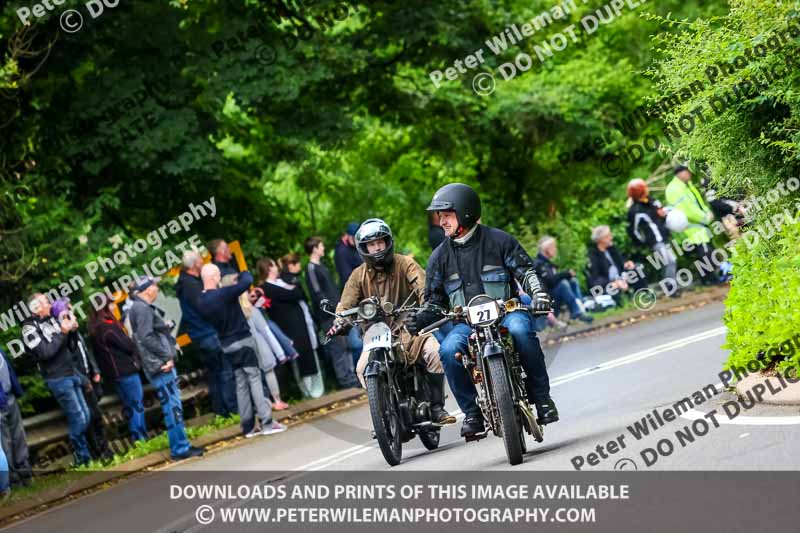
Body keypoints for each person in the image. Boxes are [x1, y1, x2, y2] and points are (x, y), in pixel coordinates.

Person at [407, 183, 557, 438]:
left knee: (522, 332)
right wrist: (421, 317)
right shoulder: (438, 257)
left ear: (464, 212)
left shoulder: (500, 241)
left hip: (508, 311)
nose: (441, 222)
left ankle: (542, 398)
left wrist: (539, 295)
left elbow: (527, 272)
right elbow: (434, 300)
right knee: (448, 349)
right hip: (466, 322)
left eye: (446, 215)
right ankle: (473, 413)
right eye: (439, 216)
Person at [329, 218, 455, 424]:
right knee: (361, 368)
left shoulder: (405, 263)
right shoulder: (357, 276)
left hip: (410, 325)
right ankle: (381, 414)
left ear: (388, 242)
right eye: (371, 244)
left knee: (434, 351)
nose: (377, 248)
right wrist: (340, 321)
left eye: (380, 242)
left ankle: (436, 407)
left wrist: (426, 309)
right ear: (363, 248)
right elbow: (346, 304)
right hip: (375, 330)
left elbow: (424, 288)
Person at [198, 266, 286, 437]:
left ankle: (248, 426)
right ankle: (266, 421)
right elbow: (247, 281)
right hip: (242, 340)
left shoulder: (202, 301)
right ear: (214, 276)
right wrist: (242, 272)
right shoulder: (223, 294)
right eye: (218, 275)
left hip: (226, 344)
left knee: (240, 382)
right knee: (254, 378)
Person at [128, 277, 205, 460]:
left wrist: (164, 327)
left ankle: (182, 445)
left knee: (173, 406)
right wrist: (166, 357)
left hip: (158, 365)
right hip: (161, 366)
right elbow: (145, 338)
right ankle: (180, 449)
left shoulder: (139, 308)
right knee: (172, 407)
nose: (157, 287)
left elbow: (147, 334)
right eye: (154, 285)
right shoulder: (142, 308)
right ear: (147, 290)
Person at [21, 293, 92, 466]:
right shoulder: (29, 328)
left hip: (71, 373)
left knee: (86, 416)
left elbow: (69, 347)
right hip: (58, 378)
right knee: (79, 419)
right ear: (35, 308)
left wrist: (72, 331)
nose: (50, 304)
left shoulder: (53, 320)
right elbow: (45, 352)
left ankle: (84, 455)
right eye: (46, 302)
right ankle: (82, 457)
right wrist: (62, 332)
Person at [176, 250, 237, 417]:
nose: (203, 262)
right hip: (208, 333)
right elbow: (205, 307)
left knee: (214, 374)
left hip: (200, 335)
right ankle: (231, 409)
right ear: (195, 264)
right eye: (201, 260)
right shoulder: (191, 285)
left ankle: (221, 411)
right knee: (225, 371)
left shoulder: (185, 283)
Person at [52, 299, 112, 462]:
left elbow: (86, 352)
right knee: (90, 418)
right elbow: (69, 363)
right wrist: (84, 380)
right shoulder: (63, 337)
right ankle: (98, 453)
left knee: (97, 416)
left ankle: (105, 450)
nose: (73, 316)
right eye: (68, 313)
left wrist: (95, 370)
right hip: (81, 383)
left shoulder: (76, 333)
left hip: (89, 378)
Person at [260, 255, 325, 399]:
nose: (277, 268)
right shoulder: (266, 288)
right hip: (288, 329)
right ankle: (308, 392)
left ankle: (318, 390)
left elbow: (298, 292)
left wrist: (293, 290)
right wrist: (292, 290)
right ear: (269, 268)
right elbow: (294, 293)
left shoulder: (280, 282)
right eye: (274, 265)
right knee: (299, 360)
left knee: (310, 357)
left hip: (300, 326)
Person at [88, 299, 149, 443]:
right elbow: (127, 345)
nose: (114, 306)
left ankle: (138, 437)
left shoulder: (94, 328)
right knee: (136, 404)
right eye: (111, 303)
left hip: (113, 375)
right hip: (125, 371)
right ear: (105, 307)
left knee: (129, 405)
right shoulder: (108, 326)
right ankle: (140, 437)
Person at [305, 236, 359, 389]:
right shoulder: (311, 268)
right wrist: (330, 309)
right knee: (338, 348)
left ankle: (351, 377)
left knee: (346, 345)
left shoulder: (321, 266)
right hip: (329, 316)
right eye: (321, 245)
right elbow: (317, 293)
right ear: (314, 248)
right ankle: (345, 381)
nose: (323, 248)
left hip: (339, 313)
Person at [665, 164, 718, 284]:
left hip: (698, 225)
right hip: (691, 228)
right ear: (681, 173)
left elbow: (697, 201)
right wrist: (705, 217)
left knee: (706, 252)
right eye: (688, 172)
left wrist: (706, 211)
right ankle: (708, 279)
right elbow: (687, 209)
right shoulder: (675, 189)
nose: (690, 174)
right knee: (704, 253)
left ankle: (709, 278)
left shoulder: (685, 185)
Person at [626, 178, 677, 286]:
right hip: (655, 241)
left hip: (664, 237)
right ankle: (670, 287)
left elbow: (662, 213)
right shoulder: (635, 210)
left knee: (668, 262)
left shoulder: (652, 201)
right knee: (670, 261)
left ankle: (668, 285)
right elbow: (633, 230)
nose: (647, 189)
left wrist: (663, 215)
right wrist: (643, 242)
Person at [533, 236, 593, 323]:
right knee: (563, 284)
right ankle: (577, 314)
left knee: (573, 281)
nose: (555, 249)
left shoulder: (546, 263)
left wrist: (568, 275)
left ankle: (582, 308)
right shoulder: (539, 264)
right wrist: (566, 274)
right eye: (553, 247)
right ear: (546, 250)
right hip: (547, 301)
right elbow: (550, 282)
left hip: (553, 295)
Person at [587, 225, 649, 301]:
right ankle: (623, 301)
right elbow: (595, 279)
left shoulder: (611, 248)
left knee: (637, 268)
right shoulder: (593, 255)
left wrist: (627, 264)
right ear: (601, 239)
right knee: (612, 290)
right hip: (608, 283)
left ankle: (643, 294)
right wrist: (614, 283)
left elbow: (621, 263)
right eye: (608, 236)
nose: (611, 237)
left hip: (621, 277)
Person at [0, 348, 31, 488]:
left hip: (10, 397)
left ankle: (26, 473)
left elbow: (9, 372)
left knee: (19, 437)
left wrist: (17, 391)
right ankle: (14, 479)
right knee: (5, 443)